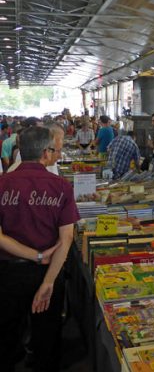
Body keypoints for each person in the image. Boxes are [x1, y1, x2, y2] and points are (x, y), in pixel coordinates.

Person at [0, 126, 80, 372]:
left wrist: (30, 255)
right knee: (46, 337)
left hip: (7, 273)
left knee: (6, 334)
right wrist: (48, 282)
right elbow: (66, 239)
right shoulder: (61, 186)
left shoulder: (3, 183)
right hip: (48, 271)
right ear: (46, 152)